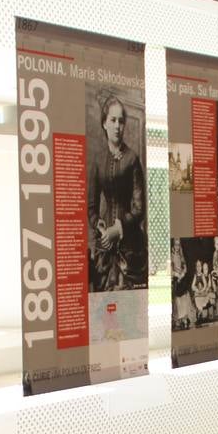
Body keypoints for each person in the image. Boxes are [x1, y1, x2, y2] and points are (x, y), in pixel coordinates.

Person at [88, 92, 147, 292]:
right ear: (104, 123)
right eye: (112, 120)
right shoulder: (97, 160)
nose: (117, 126)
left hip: (129, 243)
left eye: (121, 121)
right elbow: (91, 206)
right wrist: (99, 224)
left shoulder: (132, 159)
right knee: (103, 311)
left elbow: (140, 209)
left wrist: (118, 229)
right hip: (104, 243)